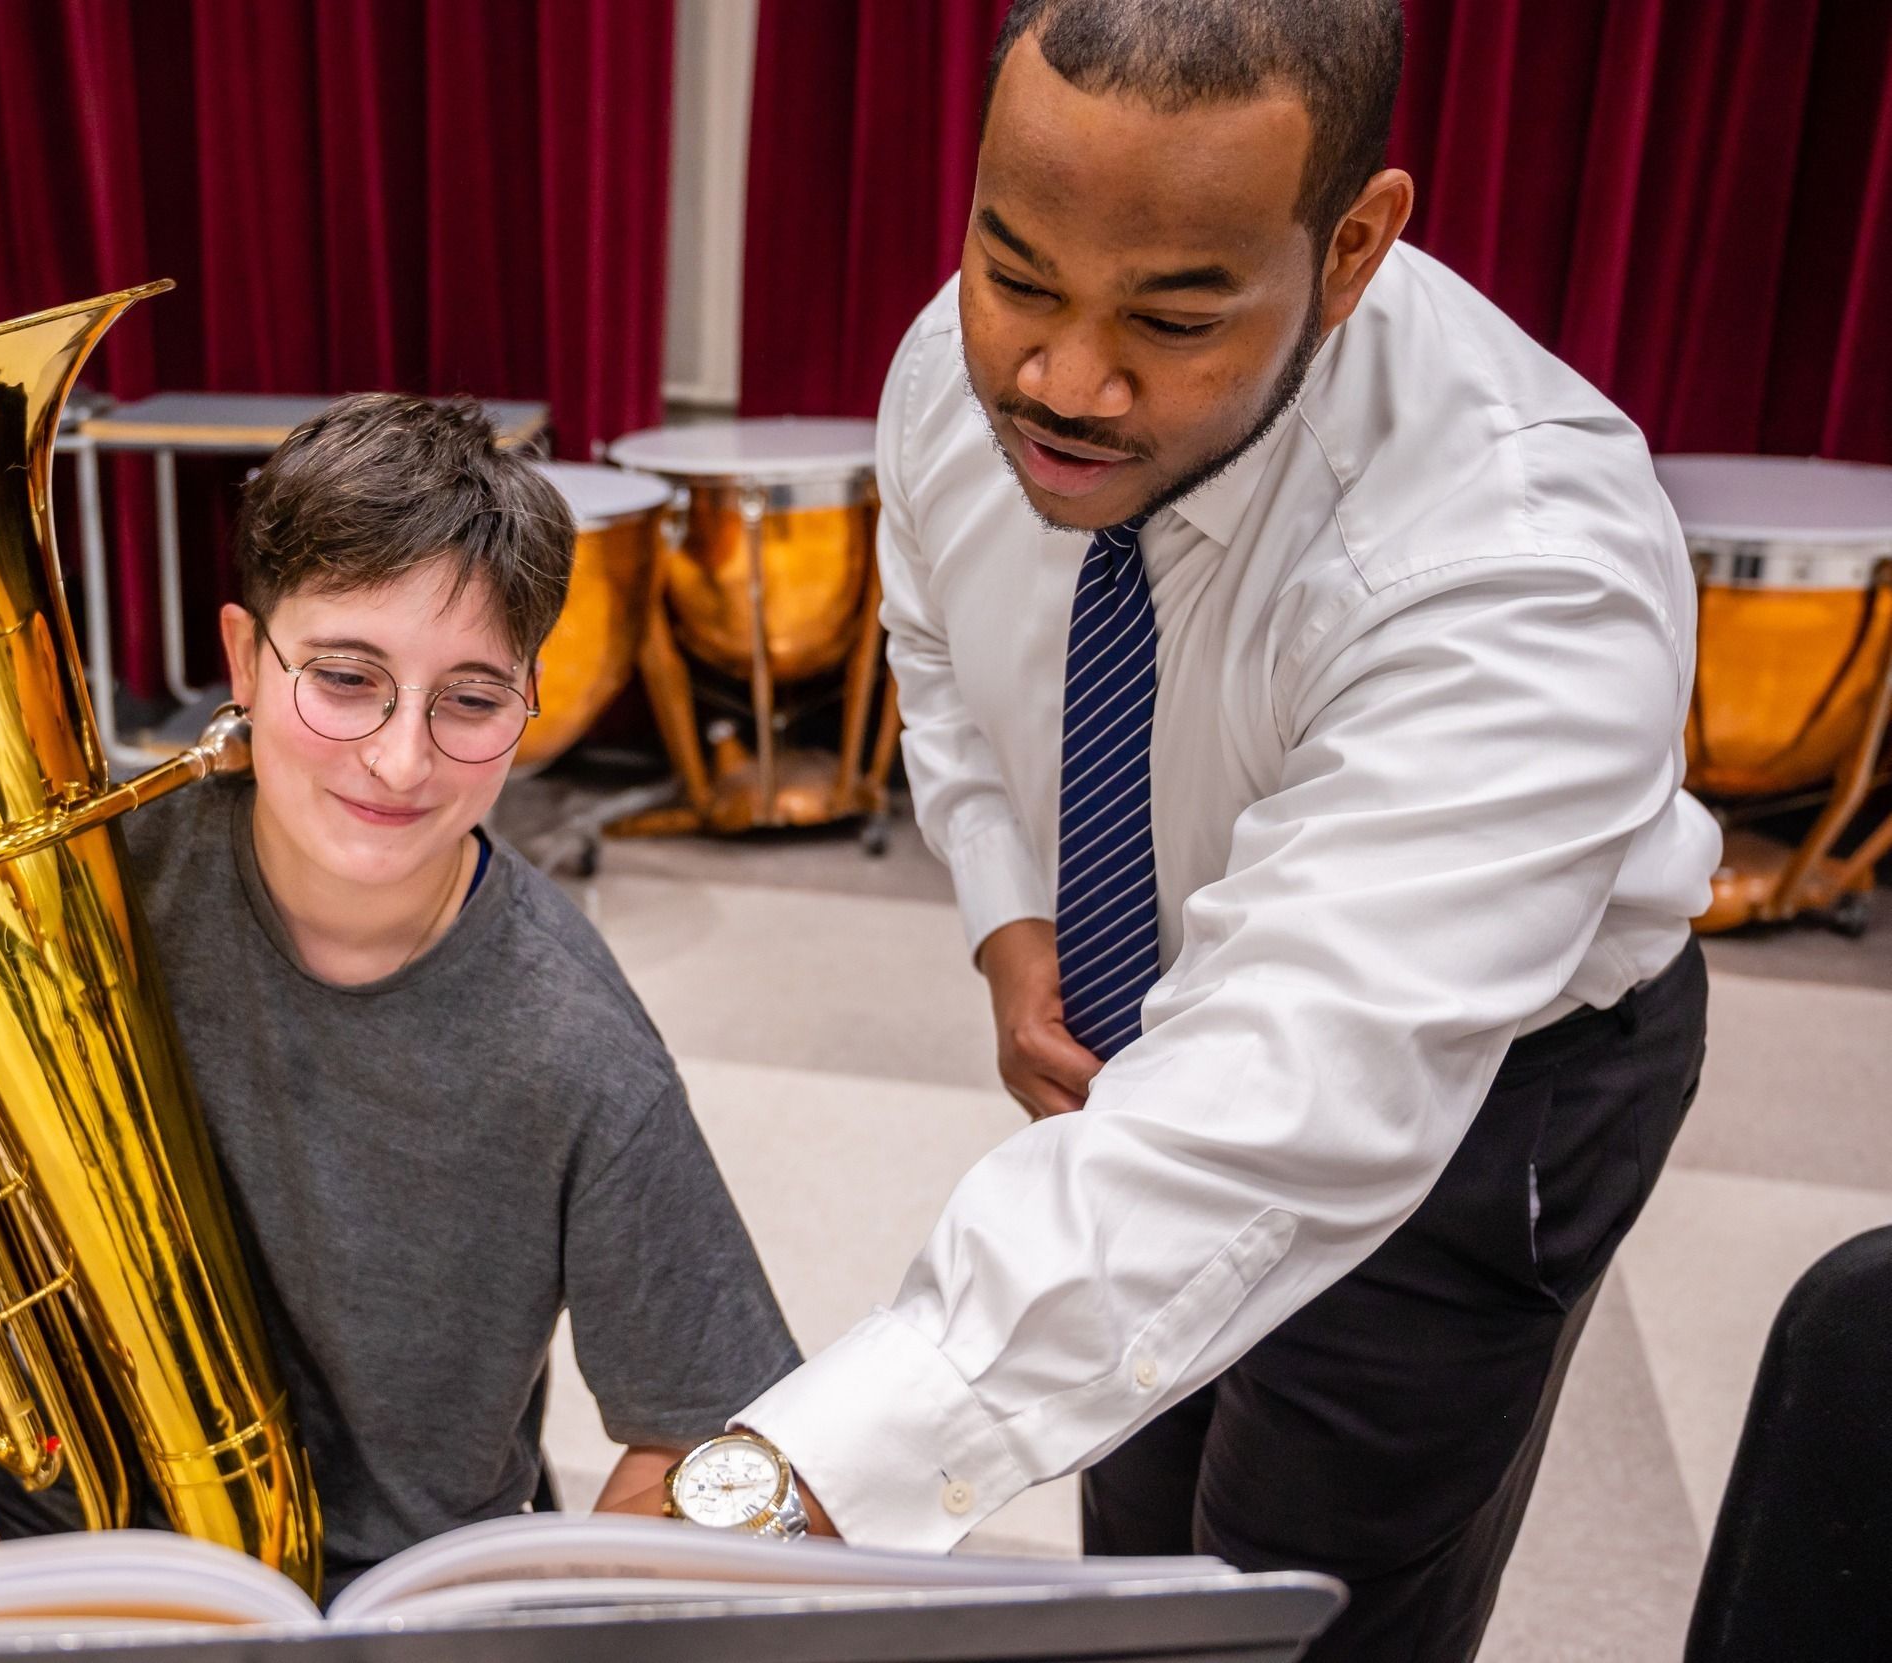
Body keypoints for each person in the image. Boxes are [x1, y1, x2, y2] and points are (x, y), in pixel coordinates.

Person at [695, 4, 1717, 1657]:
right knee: (1138, 1547)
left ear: (1357, 242)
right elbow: (941, 644)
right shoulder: (955, 372)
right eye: (1016, 274)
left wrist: (787, 1479)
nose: (1061, 381)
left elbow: (1285, 1094)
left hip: (1477, 1081)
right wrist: (1009, 906)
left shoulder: (1528, 562)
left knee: (1300, 1588)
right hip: (1148, 992)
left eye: (1174, 318)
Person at [0, 392, 801, 1599]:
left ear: (529, 701)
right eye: (344, 677)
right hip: (64, 1479)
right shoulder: (96, 878)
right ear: (240, 661)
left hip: (371, 1575)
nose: (400, 755)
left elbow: (705, 1431)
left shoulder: (574, 1044)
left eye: (470, 699)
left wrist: (549, 1610)